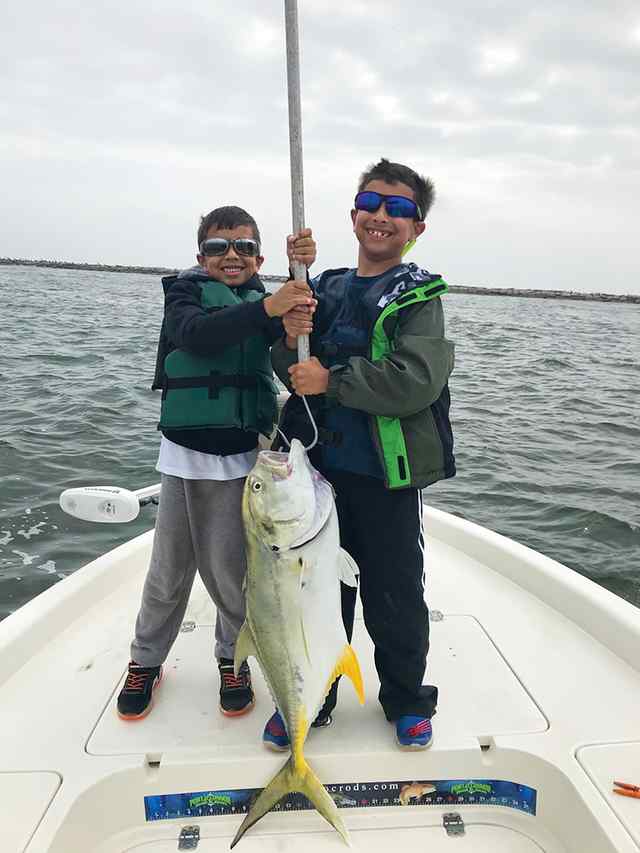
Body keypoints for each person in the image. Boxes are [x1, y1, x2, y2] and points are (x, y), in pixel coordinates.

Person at [265, 159, 455, 750]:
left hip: (384, 476)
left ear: (415, 228)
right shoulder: (322, 286)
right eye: (372, 203)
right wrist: (288, 323)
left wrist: (333, 380)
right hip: (314, 477)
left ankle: (406, 698)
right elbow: (290, 370)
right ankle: (313, 695)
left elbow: (416, 381)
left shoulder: (418, 297)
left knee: (393, 591)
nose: (382, 216)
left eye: (399, 210)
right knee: (314, 593)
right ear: (353, 215)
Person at [117, 205, 316, 720]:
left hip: (243, 464)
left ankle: (232, 657)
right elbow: (196, 335)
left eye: (245, 248)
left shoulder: (269, 300)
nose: (232, 256)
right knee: (168, 571)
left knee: (235, 575)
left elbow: (290, 350)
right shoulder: (184, 295)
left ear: (260, 257)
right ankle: (145, 660)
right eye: (218, 247)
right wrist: (270, 307)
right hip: (184, 461)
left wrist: (301, 286)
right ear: (200, 254)